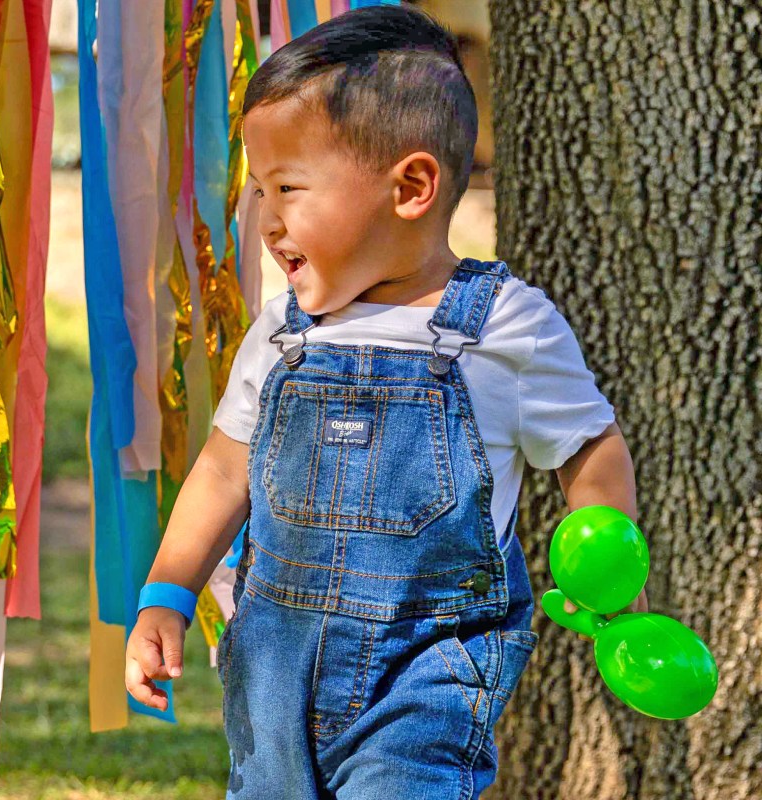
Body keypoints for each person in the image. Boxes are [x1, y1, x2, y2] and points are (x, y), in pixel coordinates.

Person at [125, 5, 647, 797]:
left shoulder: (504, 328)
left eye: (289, 188)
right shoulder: (282, 335)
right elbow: (225, 471)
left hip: (426, 679)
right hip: (271, 673)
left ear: (410, 187)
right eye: (258, 190)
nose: (265, 220)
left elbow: (589, 445)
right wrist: (168, 592)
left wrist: (607, 561)